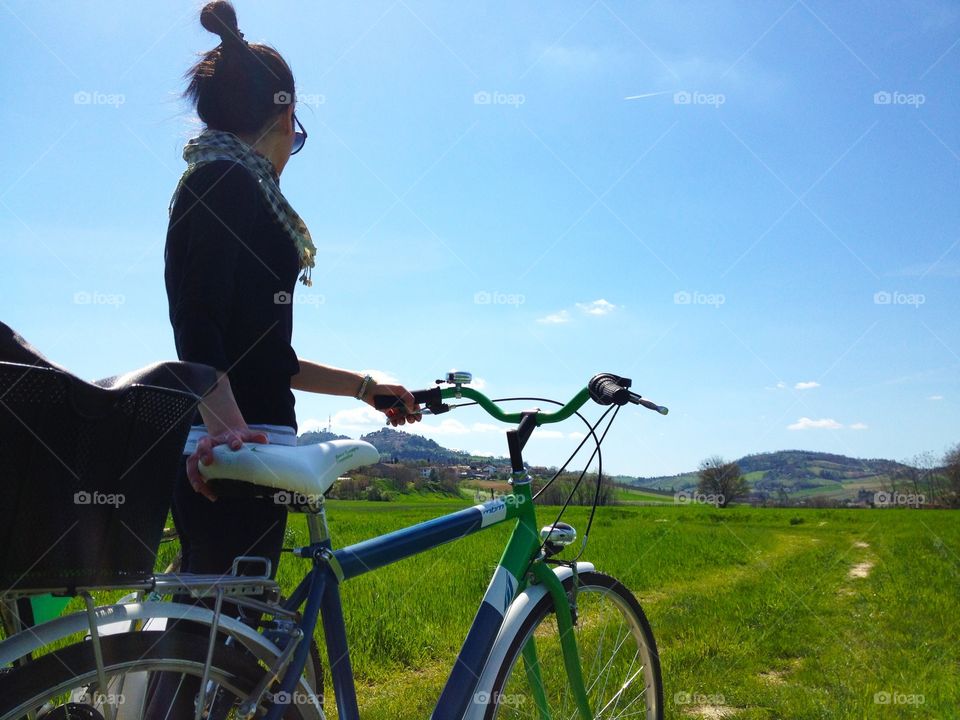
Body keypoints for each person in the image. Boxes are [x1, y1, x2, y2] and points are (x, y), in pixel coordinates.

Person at [148, 1, 421, 713]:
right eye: (294, 136)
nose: (289, 152)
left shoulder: (239, 189)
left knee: (225, 648)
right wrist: (225, 426)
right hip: (238, 451)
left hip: (249, 443)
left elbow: (269, 354)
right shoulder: (222, 183)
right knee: (213, 658)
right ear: (282, 114)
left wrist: (363, 385)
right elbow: (196, 324)